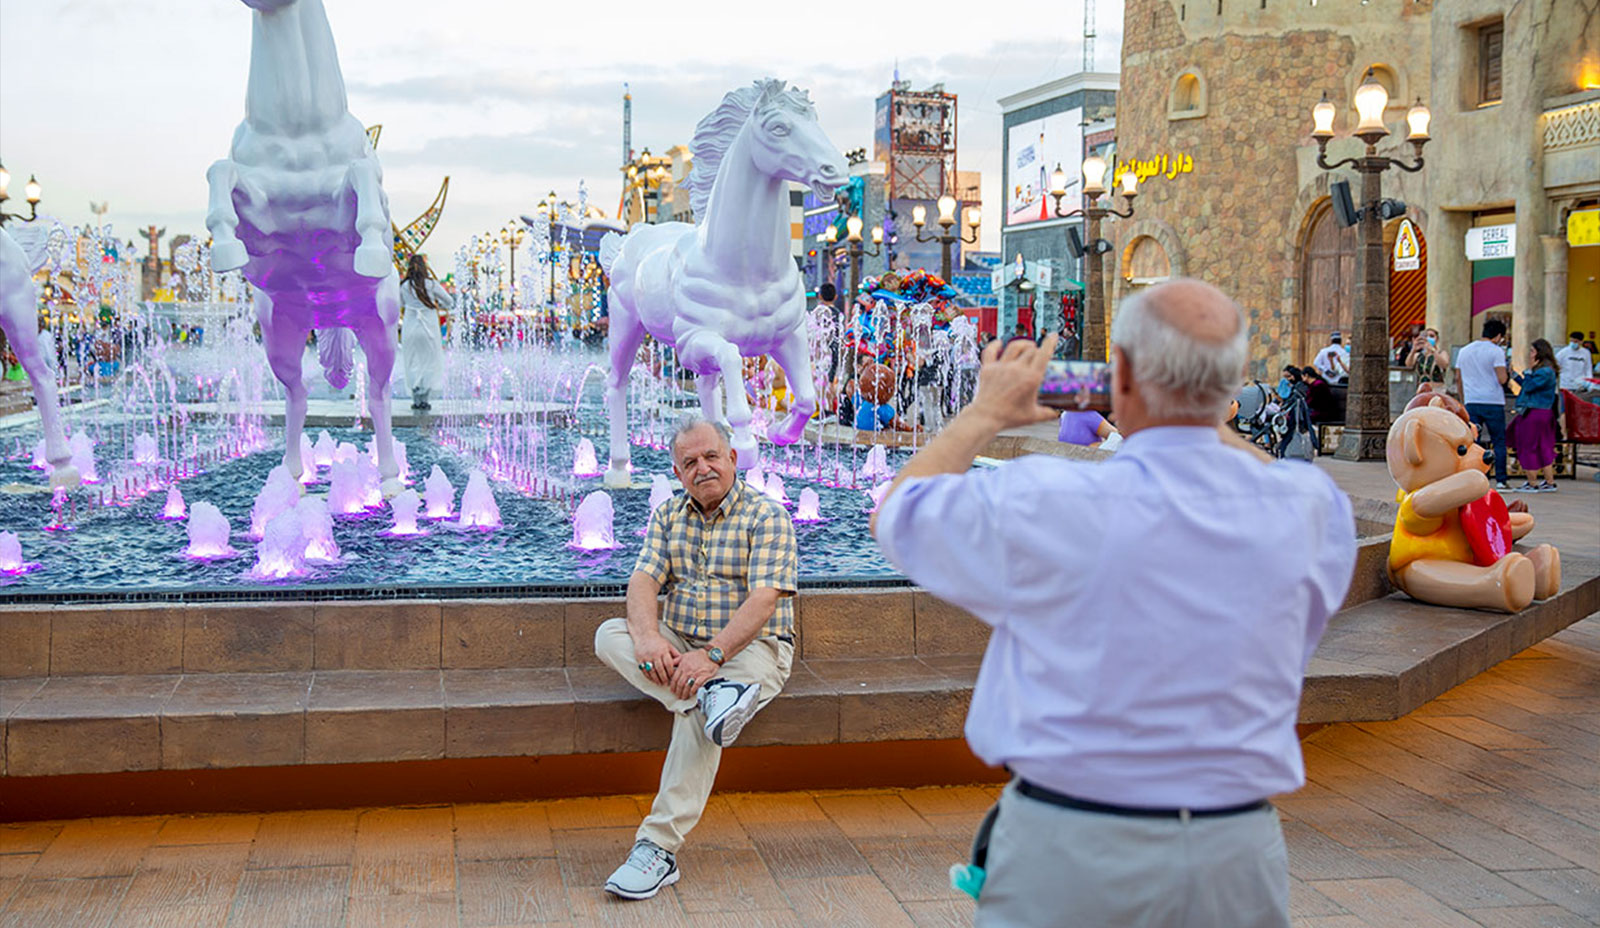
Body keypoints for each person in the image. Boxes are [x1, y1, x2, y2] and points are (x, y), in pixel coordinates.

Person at [871, 280, 1355, 928]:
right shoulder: (1311, 508)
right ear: (1236, 382)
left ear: (1116, 374)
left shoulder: (1048, 501)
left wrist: (984, 412)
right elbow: (1269, 473)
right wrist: (1200, 412)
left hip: (1072, 851)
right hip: (1236, 855)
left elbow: (901, 513)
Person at [594, 418, 797, 900]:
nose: (701, 468)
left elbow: (764, 599)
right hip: (680, 642)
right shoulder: (668, 515)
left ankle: (657, 849)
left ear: (732, 458)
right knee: (610, 636)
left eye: (710, 457)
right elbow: (644, 581)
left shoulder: (767, 516)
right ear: (677, 471)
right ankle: (714, 697)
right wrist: (646, 638)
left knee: (696, 721)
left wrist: (713, 655)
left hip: (752, 649)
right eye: (689, 463)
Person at [1455, 318, 1512, 489]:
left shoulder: (1464, 351)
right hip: (1493, 401)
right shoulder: (1496, 351)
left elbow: (1458, 378)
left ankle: (1476, 476)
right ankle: (1501, 479)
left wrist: (1464, 398)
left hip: (1472, 400)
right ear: (1498, 336)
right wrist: (1509, 374)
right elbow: (1502, 378)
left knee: (1474, 441)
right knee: (1499, 441)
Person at [399, 254, 454, 411]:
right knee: (429, 361)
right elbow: (449, 301)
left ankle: (416, 398)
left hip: (410, 327)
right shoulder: (431, 284)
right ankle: (425, 399)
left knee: (412, 361)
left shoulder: (404, 285)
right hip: (428, 328)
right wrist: (437, 303)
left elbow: (399, 303)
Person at [1509, 338, 1561, 492]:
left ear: (1540, 352)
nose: (1530, 354)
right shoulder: (1547, 370)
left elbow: (1530, 386)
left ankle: (1532, 482)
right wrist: (1516, 377)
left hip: (1534, 412)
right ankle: (1549, 482)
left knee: (1527, 446)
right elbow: (1528, 385)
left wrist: (1527, 371)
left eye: (1532, 351)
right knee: (1543, 446)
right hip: (1543, 412)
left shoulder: (1543, 371)